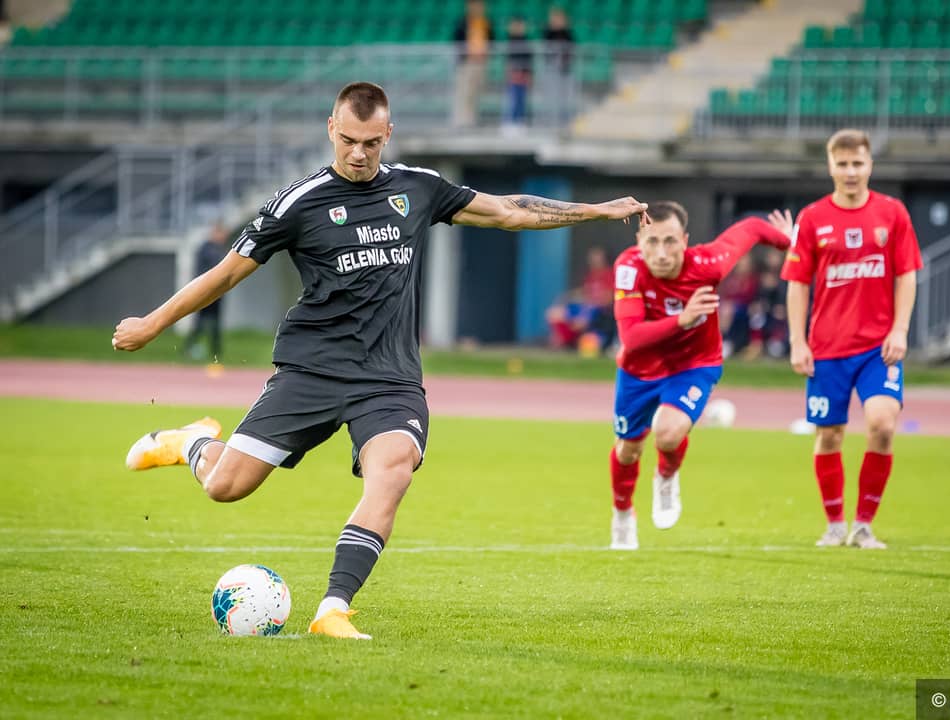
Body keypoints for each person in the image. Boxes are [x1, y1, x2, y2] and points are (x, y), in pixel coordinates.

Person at [113, 82, 647, 639]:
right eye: (348, 140)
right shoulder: (297, 203)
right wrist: (153, 323)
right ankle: (190, 443)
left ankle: (333, 609)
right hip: (313, 370)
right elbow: (225, 274)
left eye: (371, 142)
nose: (358, 153)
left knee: (392, 472)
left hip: (389, 378)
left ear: (388, 134)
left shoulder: (418, 188)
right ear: (331, 129)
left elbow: (509, 211)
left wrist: (596, 210)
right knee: (226, 487)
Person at [608, 201, 792, 550]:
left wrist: (785, 240)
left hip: (694, 364)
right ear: (639, 241)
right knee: (628, 451)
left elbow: (751, 228)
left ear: (685, 240)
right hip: (639, 369)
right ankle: (622, 512)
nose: (661, 252)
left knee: (667, 433)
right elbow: (630, 337)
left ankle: (666, 476)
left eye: (670, 241)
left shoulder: (709, 263)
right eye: (652, 241)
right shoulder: (628, 267)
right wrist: (683, 318)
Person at [781, 128, 923, 550]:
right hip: (827, 348)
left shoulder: (892, 213)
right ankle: (834, 525)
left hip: (878, 347)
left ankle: (863, 525)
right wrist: (797, 341)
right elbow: (797, 284)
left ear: (870, 165)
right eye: (842, 164)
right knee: (829, 435)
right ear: (830, 166)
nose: (850, 171)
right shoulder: (812, 218)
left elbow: (907, 275)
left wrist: (900, 329)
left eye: (857, 163)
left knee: (882, 424)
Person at [545, 246, 615, 351]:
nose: (594, 261)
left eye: (597, 258)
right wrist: (568, 297)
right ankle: (565, 341)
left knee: (581, 321)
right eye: (592, 258)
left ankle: (569, 342)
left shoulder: (610, 274)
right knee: (554, 314)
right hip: (585, 306)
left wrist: (592, 304)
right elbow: (585, 293)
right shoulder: (591, 275)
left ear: (604, 259)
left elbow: (609, 298)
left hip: (599, 310)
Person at [181, 222, 230, 362]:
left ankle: (215, 353)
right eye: (222, 234)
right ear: (215, 233)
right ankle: (189, 348)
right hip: (206, 292)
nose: (224, 237)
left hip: (217, 294)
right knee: (201, 324)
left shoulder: (218, 249)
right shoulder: (207, 249)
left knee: (215, 325)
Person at [452, 0, 494, 128]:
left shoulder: (486, 23)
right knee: (464, 92)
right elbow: (457, 40)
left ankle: (472, 119)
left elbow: (491, 40)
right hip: (467, 63)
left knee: (476, 92)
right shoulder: (463, 22)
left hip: (481, 62)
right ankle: (461, 120)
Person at [541, 6, 575, 125]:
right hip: (551, 69)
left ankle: (564, 120)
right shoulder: (548, 33)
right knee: (551, 95)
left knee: (565, 96)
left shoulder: (568, 33)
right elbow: (546, 47)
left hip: (565, 69)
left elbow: (571, 47)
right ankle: (550, 120)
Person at [503, 16, 532, 133]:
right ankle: (509, 121)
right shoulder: (509, 41)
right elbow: (507, 60)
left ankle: (519, 121)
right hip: (513, 75)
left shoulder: (526, 42)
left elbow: (529, 59)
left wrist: (529, 74)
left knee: (521, 99)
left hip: (523, 75)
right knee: (512, 98)